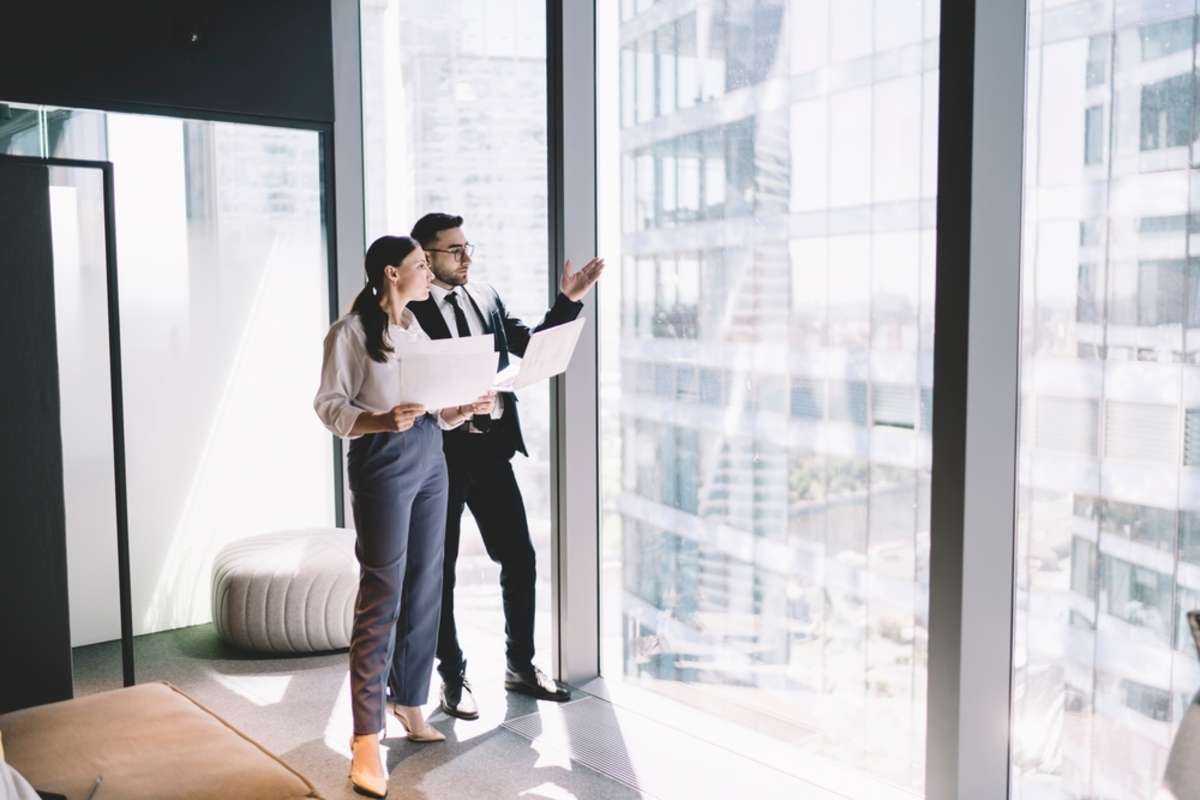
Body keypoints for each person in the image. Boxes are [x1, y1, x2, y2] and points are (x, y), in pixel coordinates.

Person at [314, 234, 495, 798]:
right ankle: (366, 737)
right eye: (421, 265)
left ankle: (410, 702)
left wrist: (459, 409)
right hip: (383, 461)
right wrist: (379, 422)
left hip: (430, 457)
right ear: (393, 273)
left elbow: (430, 407)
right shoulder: (349, 334)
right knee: (382, 592)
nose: (429, 273)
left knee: (426, 586)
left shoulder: (415, 330)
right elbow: (329, 406)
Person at [407, 212, 604, 720]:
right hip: (438, 460)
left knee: (519, 558)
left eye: (467, 246)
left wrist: (571, 300)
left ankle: (520, 665)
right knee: (440, 571)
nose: (466, 256)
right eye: (454, 250)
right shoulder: (407, 311)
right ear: (425, 256)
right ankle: (452, 676)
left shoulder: (486, 297)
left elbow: (532, 344)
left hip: (491, 452)